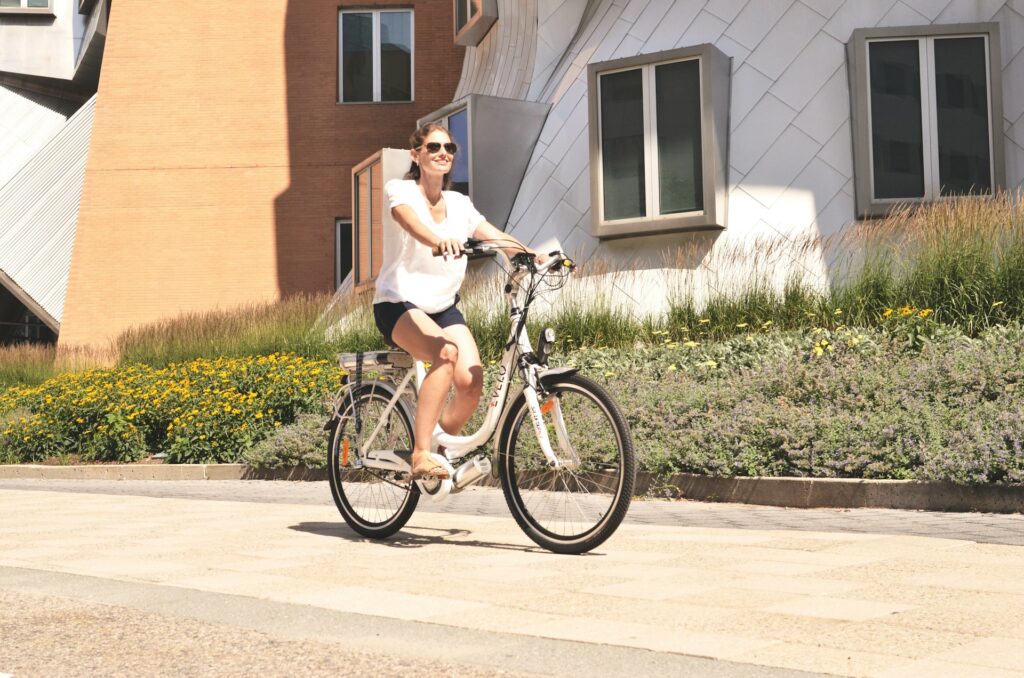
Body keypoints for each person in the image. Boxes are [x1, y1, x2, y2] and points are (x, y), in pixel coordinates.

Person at [373, 123, 544, 480]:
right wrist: (437, 240)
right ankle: (421, 453)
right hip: (399, 303)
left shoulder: (459, 203)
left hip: (443, 306)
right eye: (433, 146)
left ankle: (440, 447)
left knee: (471, 383)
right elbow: (406, 219)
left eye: (449, 147)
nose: (442, 153)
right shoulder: (401, 190)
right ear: (416, 155)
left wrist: (532, 255)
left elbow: (493, 236)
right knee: (446, 354)